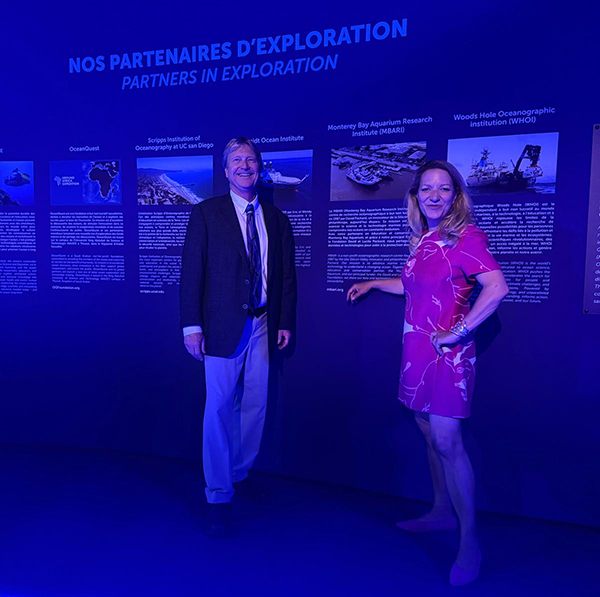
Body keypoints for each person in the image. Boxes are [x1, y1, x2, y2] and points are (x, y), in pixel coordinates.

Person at [347, 160, 508, 586]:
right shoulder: (424, 238)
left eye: (444, 189)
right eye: (427, 189)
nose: (434, 195)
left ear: (456, 197)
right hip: (417, 350)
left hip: (449, 356)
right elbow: (413, 285)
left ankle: (469, 543)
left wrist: (458, 332)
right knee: (427, 433)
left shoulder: (467, 237)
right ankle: (440, 512)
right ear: (416, 196)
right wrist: (374, 283)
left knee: (448, 441)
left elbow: (497, 287)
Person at [180, 137, 297, 535]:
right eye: (237, 160)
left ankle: (239, 474)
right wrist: (192, 326)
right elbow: (191, 274)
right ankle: (218, 494)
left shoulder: (276, 219)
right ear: (226, 169)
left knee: (254, 407)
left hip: (264, 324)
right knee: (217, 409)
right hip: (220, 327)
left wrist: (284, 322)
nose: (245, 165)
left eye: (250, 159)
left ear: (259, 167)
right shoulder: (206, 213)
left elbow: (285, 277)